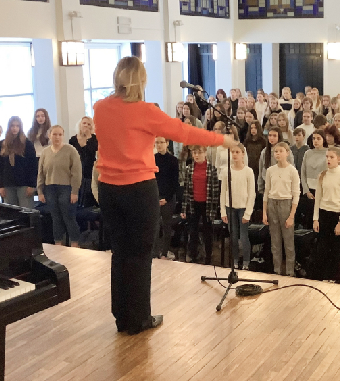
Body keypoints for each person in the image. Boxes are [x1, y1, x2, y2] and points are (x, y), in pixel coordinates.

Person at [93, 57, 235, 335]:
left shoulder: (100, 107)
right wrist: (222, 140)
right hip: (138, 189)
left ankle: (122, 316)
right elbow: (184, 132)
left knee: (120, 252)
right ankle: (139, 318)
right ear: (140, 81)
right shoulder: (146, 111)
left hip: (109, 189)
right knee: (140, 254)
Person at [37, 125, 82, 247]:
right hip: (50, 188)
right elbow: (41, 173)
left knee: (68, 217)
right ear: (49, 135)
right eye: (54, 134)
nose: (57, 137)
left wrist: (74, 191)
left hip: (66, 188)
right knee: (55, 217)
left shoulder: (71, 150)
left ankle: (75, 244)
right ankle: (58, 244)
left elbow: (76, 173)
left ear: (63, 136)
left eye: (60, 134)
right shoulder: (45, 152)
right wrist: (40, 191)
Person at [263, 142, 300, 276]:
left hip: (286, 204)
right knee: (275, 241)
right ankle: (277, 270)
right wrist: (264, 212)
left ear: (287, 153)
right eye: (276, 151)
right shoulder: (270, 170)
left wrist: (291, 216)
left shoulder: (292, 171)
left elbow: (296, 194)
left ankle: (290, 271)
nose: (277, 154)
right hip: (272, 203)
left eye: (280, 151)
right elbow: (266, 192)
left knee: (288, 241)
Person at [312, 146, 340, 281]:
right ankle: (321, 277)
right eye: (327, 157)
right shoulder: (322, 175)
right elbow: (318, 199)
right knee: (321, 248)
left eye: (331, 157)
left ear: (338, 159)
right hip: (323, 213)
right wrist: (315, 219)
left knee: (334, 249)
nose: (328, 159)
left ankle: (332, 277)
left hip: (335, 215)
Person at [181, 145, 219, 264]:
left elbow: (215, 192)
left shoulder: (211, 169)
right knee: (193, 231)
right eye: (194, 153)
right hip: (194, 203)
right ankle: (193, 255)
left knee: (208, 232)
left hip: (207, 204)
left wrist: (213, 211)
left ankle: (208, 256)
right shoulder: (189, 169)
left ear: (205, 153)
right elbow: (186, 190)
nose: (196, 155)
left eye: (199, 153)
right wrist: (184, 209)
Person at [220, 144, 256, 270]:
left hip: (243, 208)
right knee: (233, 236)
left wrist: (248, 212)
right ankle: (234, 260)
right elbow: (223, 192)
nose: (234, 155)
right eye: (233, 152)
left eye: (237, 152)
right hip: (230, 208)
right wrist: (223, 211)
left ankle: (246, 261)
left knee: (243, 236)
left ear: (243, 154)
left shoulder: (248, 171)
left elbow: (251, 193)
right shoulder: (226, 171)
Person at [0, 116, 37, 208]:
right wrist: (0, 185)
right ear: (9, 127)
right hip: (7, 184)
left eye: (17, 126)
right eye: (12, 126)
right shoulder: (1, 144)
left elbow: (33, 165)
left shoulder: (27, 144)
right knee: (11, 213)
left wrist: (32, 185)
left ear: (20, 127)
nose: (15, 128)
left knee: (26, 212)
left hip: (24, 184)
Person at [153, 136, 179, 260]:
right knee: (155, 226)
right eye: (157, 142)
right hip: (155, 197)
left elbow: (174, 182)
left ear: (167, 143)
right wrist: (156, 197)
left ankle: (164, 252)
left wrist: (166, 198)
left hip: (168, 198)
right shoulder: (152, 159)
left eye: (161, 142)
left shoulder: (173, 160)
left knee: (166, 226)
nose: (159, 145)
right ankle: (154, 252)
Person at [300, 131, 328, 229]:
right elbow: (303, 172)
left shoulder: (328, 153)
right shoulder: (308, 153)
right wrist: (306, 190)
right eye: (314, 138)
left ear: (324, 139)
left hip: (323, 190)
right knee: (309, 218)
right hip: (309, 190)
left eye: (318, 138)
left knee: (321, 219)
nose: (315, 141)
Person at [69, 116, 99, 207]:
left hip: (90, 171)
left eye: (89, 124)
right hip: (76, 171)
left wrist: (88, 137)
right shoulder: (73, 140)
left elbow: (93, 153)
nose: (86, 125)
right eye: (84, 123)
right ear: (80, 125)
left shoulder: (95, 139)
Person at [244, 121, 266, 185]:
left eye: (255, 128)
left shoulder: (263, 141)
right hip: (249, 165)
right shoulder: (247, 141)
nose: (253, 130)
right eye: (251, 128)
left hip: (259, 167)